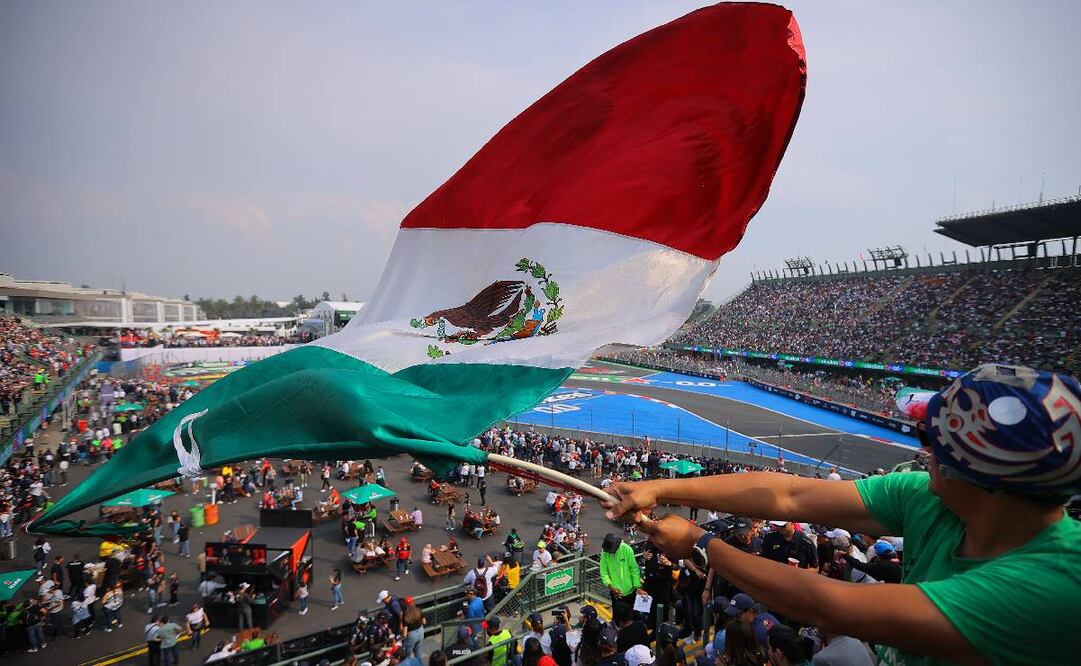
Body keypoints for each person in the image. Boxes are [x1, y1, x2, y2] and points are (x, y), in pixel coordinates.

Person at [602, 365, 1081, 664]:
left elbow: (832, 606)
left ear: (977, 472)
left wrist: (704, 545)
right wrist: (658, 487)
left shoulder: (1056, 586)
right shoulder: (931, 496)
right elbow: (791, 496)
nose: (923, 451)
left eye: (930, 439)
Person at [599, 534, 641, 608]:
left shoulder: (627, 549)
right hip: (615, 592)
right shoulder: (604, 553)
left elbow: (634, 569)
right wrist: (612, 587)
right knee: (617, 615)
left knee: (631, 614)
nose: (610, 553)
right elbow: (604, 572)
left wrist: (637, 587)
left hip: (630, 591)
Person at [403, 596, 427, 661]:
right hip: (421, 631)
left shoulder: (405, 614)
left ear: (406, 604)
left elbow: (405, 633)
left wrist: (402, 639)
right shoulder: (419, 610)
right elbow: (424, 622)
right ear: (413, 602)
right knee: (418, 651)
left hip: (411, 635)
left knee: (408, 653)